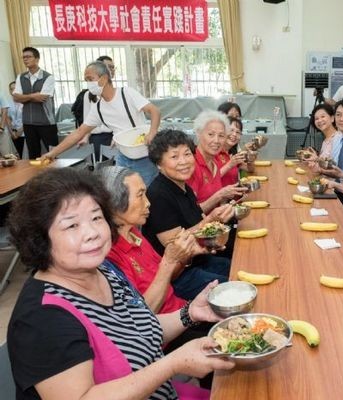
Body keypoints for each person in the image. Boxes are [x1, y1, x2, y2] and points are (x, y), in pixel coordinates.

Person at [7, 167, 234, 400]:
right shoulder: (42, 318)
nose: (92, 233)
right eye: (72, 225)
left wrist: (190, 313)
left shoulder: (105, 271)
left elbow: (139, 332)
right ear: (39, 239)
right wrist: (172, 364)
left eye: (96, 217)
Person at [98, 166, 213, 313]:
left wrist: (186, 254)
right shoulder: (110, 257)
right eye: (140, 195)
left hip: (182, 309)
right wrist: (169, 262)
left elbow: (167, 277)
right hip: (166, 326)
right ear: (114, 204)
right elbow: (143, 315)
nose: (148, 203)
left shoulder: (133, 232)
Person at [143, 129, 233, 299]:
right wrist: (211, 220)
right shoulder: (158, 195)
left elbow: (196, 219)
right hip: (177, 276)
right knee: (234, 288)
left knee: (239, 268)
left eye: (187, 154)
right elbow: (176, 244)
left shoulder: (183, 186)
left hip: (197, 260)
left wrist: (215, 227)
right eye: (174, 157)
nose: (183, 162)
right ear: (159, 164)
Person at [43, 61, 160, 186]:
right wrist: (52, 153)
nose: (88, 84)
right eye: (86, 80)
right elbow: (79, 132)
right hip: (122, 156)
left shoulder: (126, 93)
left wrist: (152, 132)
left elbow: (154, 111)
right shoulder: (98, 107)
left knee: (147, 193)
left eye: (90, 79)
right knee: (123, 194)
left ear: (104, 79)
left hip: (143, 154)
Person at [187, 110, 247, 213]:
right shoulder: (191, 165)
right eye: (211, 134)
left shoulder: (214, 162)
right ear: (199, 134)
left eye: (221, 136)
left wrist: (229, 203)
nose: (216, 141)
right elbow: (191, 213)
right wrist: (220, 195)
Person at [12, 47, 58, 159]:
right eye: (23, 57)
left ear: (37, 59)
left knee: (53, 154)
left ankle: (57, 176)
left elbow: (42, 98)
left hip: (46, 123)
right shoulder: (21, 77)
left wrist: (24, 97)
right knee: (33, 156)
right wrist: (33, 96)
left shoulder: (48, 77)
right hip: (28, 123)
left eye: (28, 57)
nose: (25, 59)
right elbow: (16, 98)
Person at [71, 56, 115, 161]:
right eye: (108, 67)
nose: (111, 70)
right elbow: (88, 121)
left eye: (113, 67)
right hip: (98, 138)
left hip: (116, 136)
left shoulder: (117, 93)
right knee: (102, 170)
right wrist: (86, 137)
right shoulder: (89, 95)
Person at [217, 116, 246, 186]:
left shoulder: (231, 151)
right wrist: (230, 164)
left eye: (238, 132)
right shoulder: (213, 152)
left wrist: (251, 157)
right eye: (231, 130)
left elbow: (250, 169)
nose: (234, 134)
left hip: (234, 195)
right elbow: (211, 180)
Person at [7, 81, 25, 158]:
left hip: (24, 132)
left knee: (26, 155)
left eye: (15, 88)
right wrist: (12, 132)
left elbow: (27, 119)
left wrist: (20, 132)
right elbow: (7, 119)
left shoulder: (25, 102)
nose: (13, 91)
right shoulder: (7, 103)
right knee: (17, 156)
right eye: (11, 89)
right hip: (12, 133)